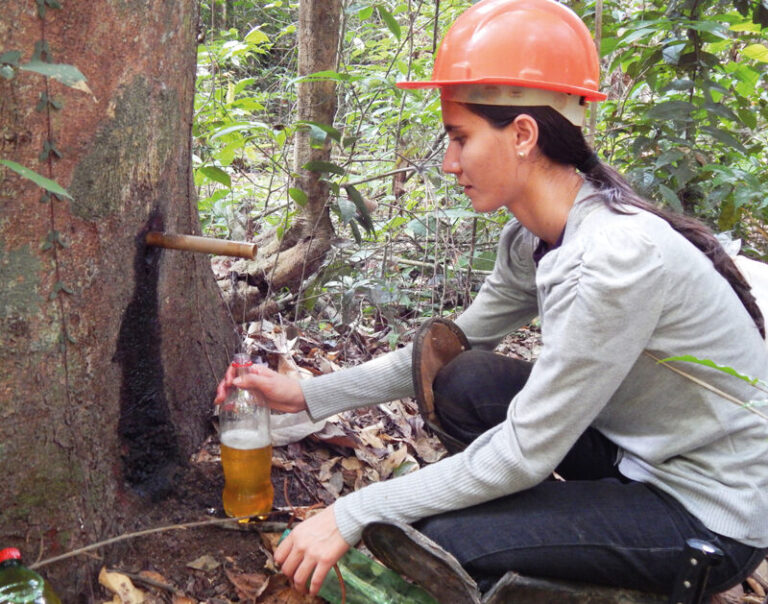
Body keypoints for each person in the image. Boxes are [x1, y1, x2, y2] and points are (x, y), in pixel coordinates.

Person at [215, 0, 768, 599]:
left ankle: (602, 570)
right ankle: (546, 531)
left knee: (445, 541)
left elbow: (527, 451)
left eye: (460, 137)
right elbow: (451, 347)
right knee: (464, 378)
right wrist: (306, 394)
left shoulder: (612, 261)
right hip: (634, 450)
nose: (449, 163)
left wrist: (353, 512)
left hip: (706, 513)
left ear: (524, 135)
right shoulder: (535, 233)